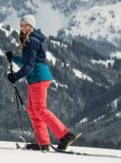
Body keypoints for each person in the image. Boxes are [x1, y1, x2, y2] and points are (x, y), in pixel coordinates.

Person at [6, 14, 79, 151]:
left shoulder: (32, 41)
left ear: (32, 26)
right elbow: (27, 62)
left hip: (38, 77)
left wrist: (15, 76)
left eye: (26, 25)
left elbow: (30, 66)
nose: (23, 28)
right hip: (35, 78)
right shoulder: (29, 40)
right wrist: (14, 59)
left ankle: (65, 135)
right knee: (33, 111)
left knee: (39, 109)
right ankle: (43, 142)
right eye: (21, 25)